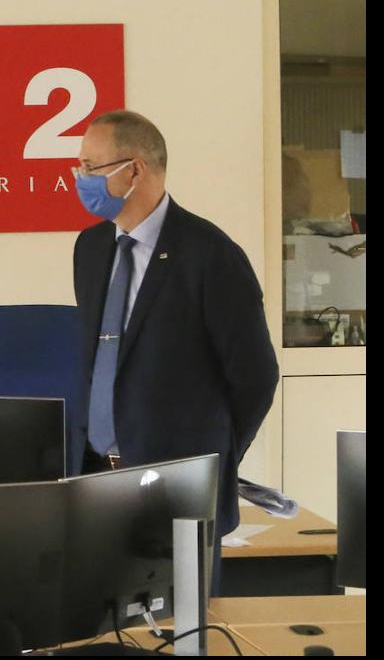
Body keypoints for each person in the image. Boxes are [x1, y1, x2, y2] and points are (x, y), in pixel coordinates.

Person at [69, 109, 278, 591]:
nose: (81, 179)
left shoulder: (210, 254)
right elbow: (101, 357)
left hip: (180, 487)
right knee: (102, 621)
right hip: (97, 479)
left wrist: (214, 456)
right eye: (79, 167)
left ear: (135, 170)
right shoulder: (90, 248)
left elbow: (255, 377)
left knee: (180, 624)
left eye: (92, 167)